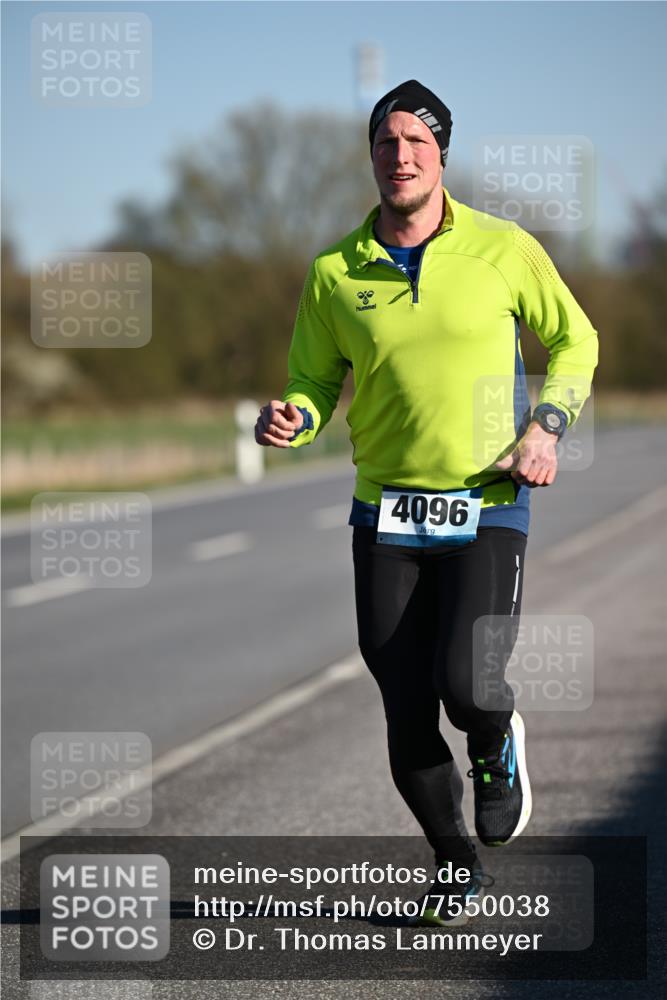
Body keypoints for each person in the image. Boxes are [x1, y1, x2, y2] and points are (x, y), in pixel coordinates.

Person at [255, 80, 598, 926]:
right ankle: (453, 864)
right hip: (385, 513)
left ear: (441, 153)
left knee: (468, 685)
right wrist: (292, 418)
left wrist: (546, 425)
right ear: (370, 156)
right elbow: (312, 377)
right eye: (384, 143)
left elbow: (574, 338)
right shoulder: (335, 270)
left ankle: (494, 741)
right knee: (404, 704)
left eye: (415, 141)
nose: (399, 156)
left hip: (487, 501)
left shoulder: (500, 247)